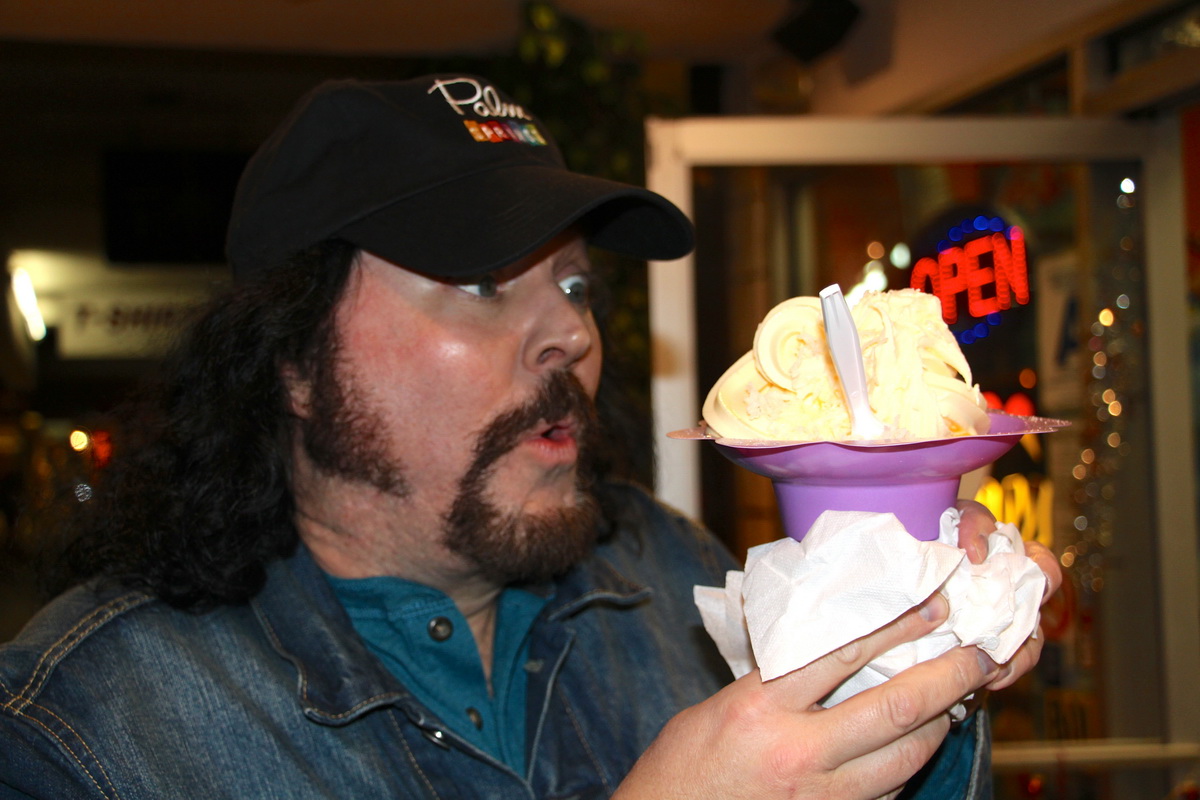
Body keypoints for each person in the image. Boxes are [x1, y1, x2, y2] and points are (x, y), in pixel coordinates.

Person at [0, 74, 1060, 799]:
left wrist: (914, 658)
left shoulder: (669, 571)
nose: (570, 333)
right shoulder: (84, 731)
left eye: (575, 285)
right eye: (476, 282)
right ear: (292, 360)